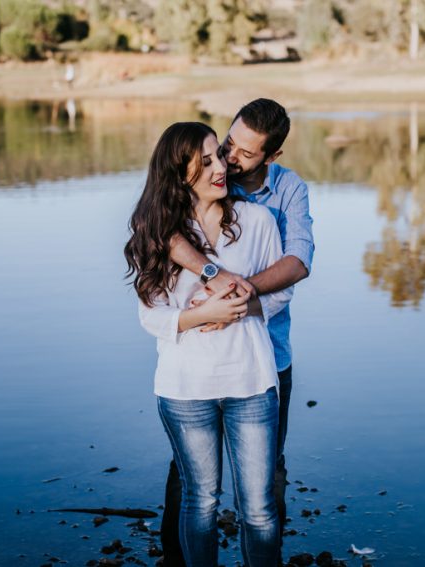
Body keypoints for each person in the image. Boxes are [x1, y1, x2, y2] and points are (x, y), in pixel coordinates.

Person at [125, 122, 293, 566]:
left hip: (252, 383)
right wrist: (202, 315)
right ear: (180, 174)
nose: (221, 167)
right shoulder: (160, 232)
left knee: (258, 511)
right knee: (199, 503)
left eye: (218, 156)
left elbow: (280, 295)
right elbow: (150, 316)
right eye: (206, 162)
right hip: (185, 389)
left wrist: (238, 303)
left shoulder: (257, 221)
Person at [163, 99, 315, 563]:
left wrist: (237, 300)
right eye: (229, 142)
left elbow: (298, 262)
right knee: (191, 481)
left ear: (271, 158)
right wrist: (212, 278)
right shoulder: (204, 175)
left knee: (266, 478)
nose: (229, 159)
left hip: (267, 357)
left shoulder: (284, 194)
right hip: (199, 369)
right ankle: (175, 556)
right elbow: (156, 230)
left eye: (245, 154)